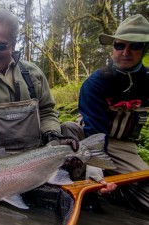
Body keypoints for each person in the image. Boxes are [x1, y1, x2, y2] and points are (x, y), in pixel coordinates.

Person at [0, 9, 78, 162]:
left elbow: (46, 112)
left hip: (34, 157)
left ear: (13, 44)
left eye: (1, 46)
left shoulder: (33, 73)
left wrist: (52, 134)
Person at [78, 14, 149, 212]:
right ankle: (86, 185)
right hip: (89, 138)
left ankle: (119, 190)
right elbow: (94, 131)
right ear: (113, 47)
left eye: (134, 46)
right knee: (67, 130)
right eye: (119, 45)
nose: (125, 52)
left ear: (145, 49)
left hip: (125, 147)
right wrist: (95, 171)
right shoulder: (96, 83)